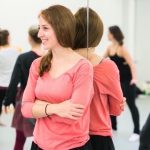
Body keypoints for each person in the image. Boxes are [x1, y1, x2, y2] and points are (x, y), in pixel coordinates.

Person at [21, 5, 94, 150]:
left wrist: (39, 105)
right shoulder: (37, 64)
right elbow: (25, 108)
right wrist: (57, 108)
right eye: (39, 28)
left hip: (72, 146)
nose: (39, 34)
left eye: (45, 28)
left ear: (62, 28)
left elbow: (72, 116)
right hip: (39, 145)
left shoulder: (83, 67)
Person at [74, 8, 124, 150]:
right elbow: (116, 109)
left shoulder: (62, 62)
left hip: (68, 135)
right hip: (98, 136)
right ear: (98, 35)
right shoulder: (107, 67)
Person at [2, 25, 44, 150]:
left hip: (26, 99)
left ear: (29, 39)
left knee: (20, 139)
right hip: (44, 99)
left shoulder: (23, 58)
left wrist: (7, 100)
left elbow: (14, 81)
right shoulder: (49, 57)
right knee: (44, 137)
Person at [103, 25, 140, 142]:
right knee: (112, 102)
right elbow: (101, 59)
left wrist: (134, 79)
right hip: (117, 81)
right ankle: (113, 127)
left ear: (113, 34)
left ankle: (137, 132)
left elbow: (132, 64)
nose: (107, 35)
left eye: (108, 33)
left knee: (131, 105)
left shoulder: (122, 49)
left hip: (128, 81)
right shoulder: (109, 48)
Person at [0, 29, 19, 125]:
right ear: (7, 38)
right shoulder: (17, 51)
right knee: (17, 105)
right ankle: (19, 123)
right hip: (14, 85)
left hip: (1, 84)